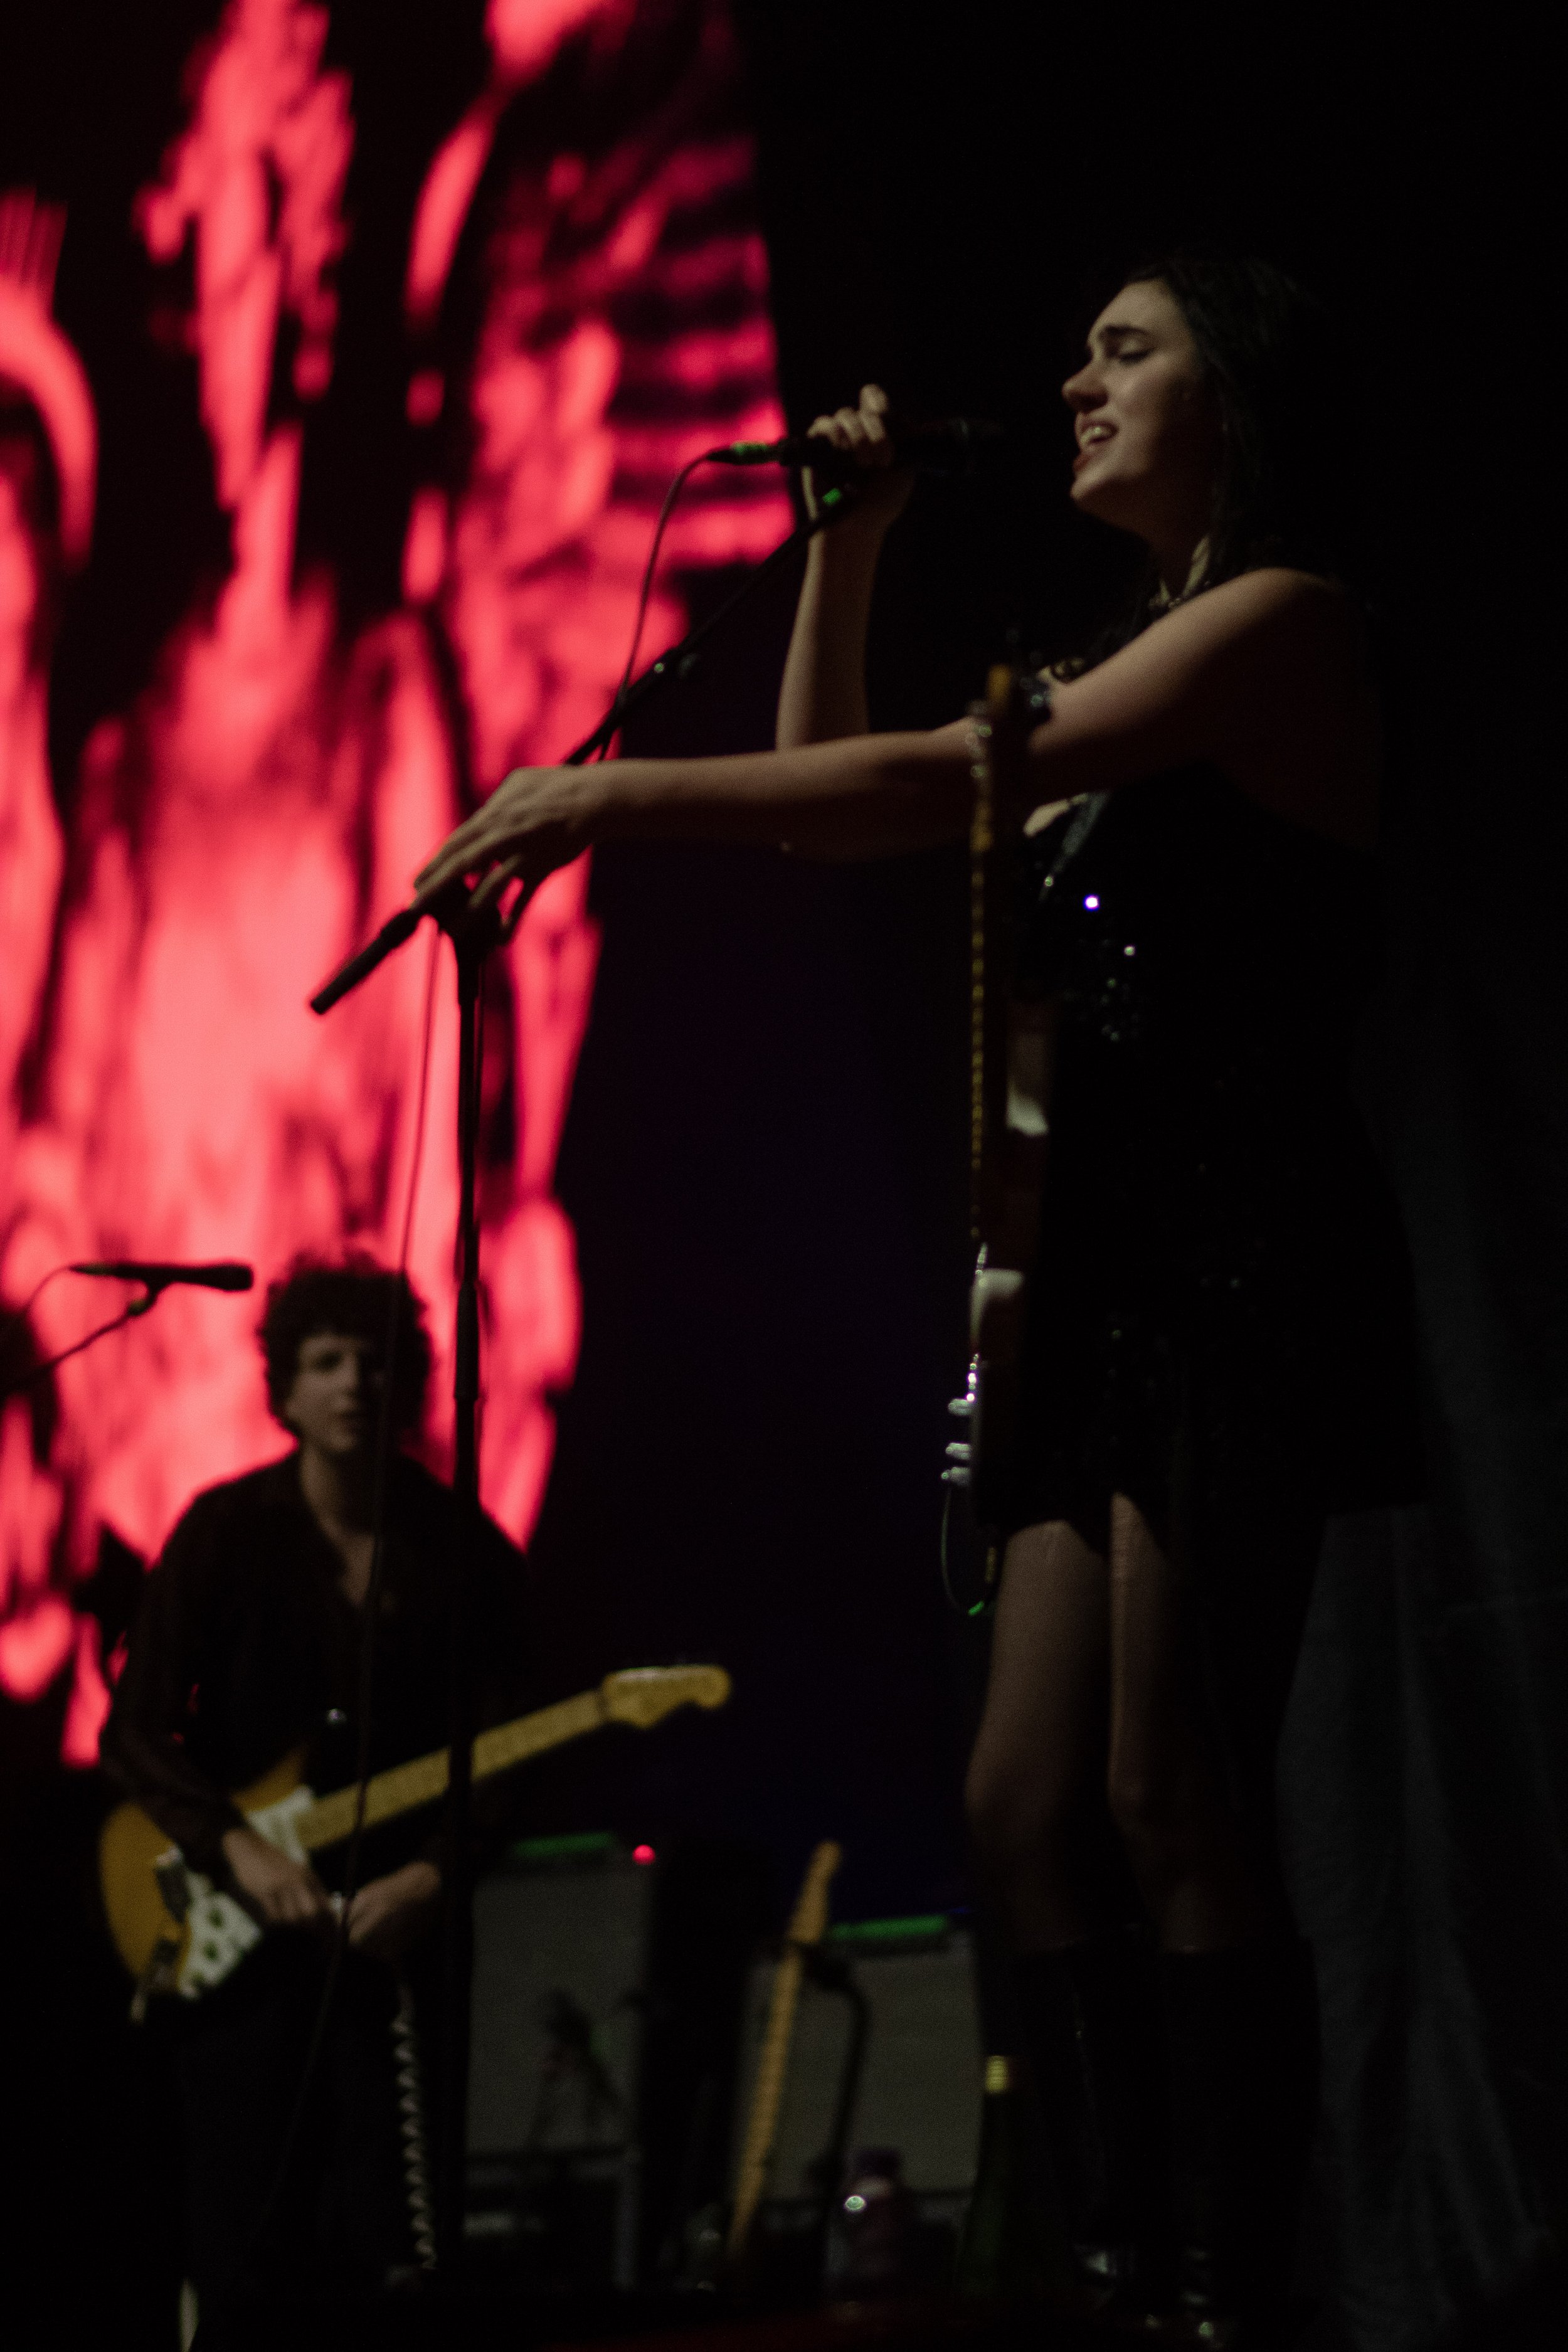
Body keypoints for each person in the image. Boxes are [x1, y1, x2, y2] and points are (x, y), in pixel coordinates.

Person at [416, 253, 1423, 2343]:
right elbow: (846, 810)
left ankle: (1238, 2291)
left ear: (1235, 395)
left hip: (1234, 1265)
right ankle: (1123, 2270)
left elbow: (926, 784)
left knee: (1170, 1791)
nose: (1073, 376)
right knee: (1016, 1801)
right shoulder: (1135, 645)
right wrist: (849, 548)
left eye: (1124, 347)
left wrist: (600, 794)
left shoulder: (1281, 624)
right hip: (1105, 1273)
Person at [101, 1256, 526, 2316]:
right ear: (283, 1386)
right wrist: (233, 1847)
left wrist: (437, 1874)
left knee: (391, 2248)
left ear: (414, 1384)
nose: (353, 1383)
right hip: (242, 1951)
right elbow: (134, 1730)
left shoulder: (468, 1555)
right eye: (326, 1361)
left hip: (395, 1950)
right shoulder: (224, 1533)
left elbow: (510, 1753)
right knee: (242, 2239)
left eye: (377, 1363)